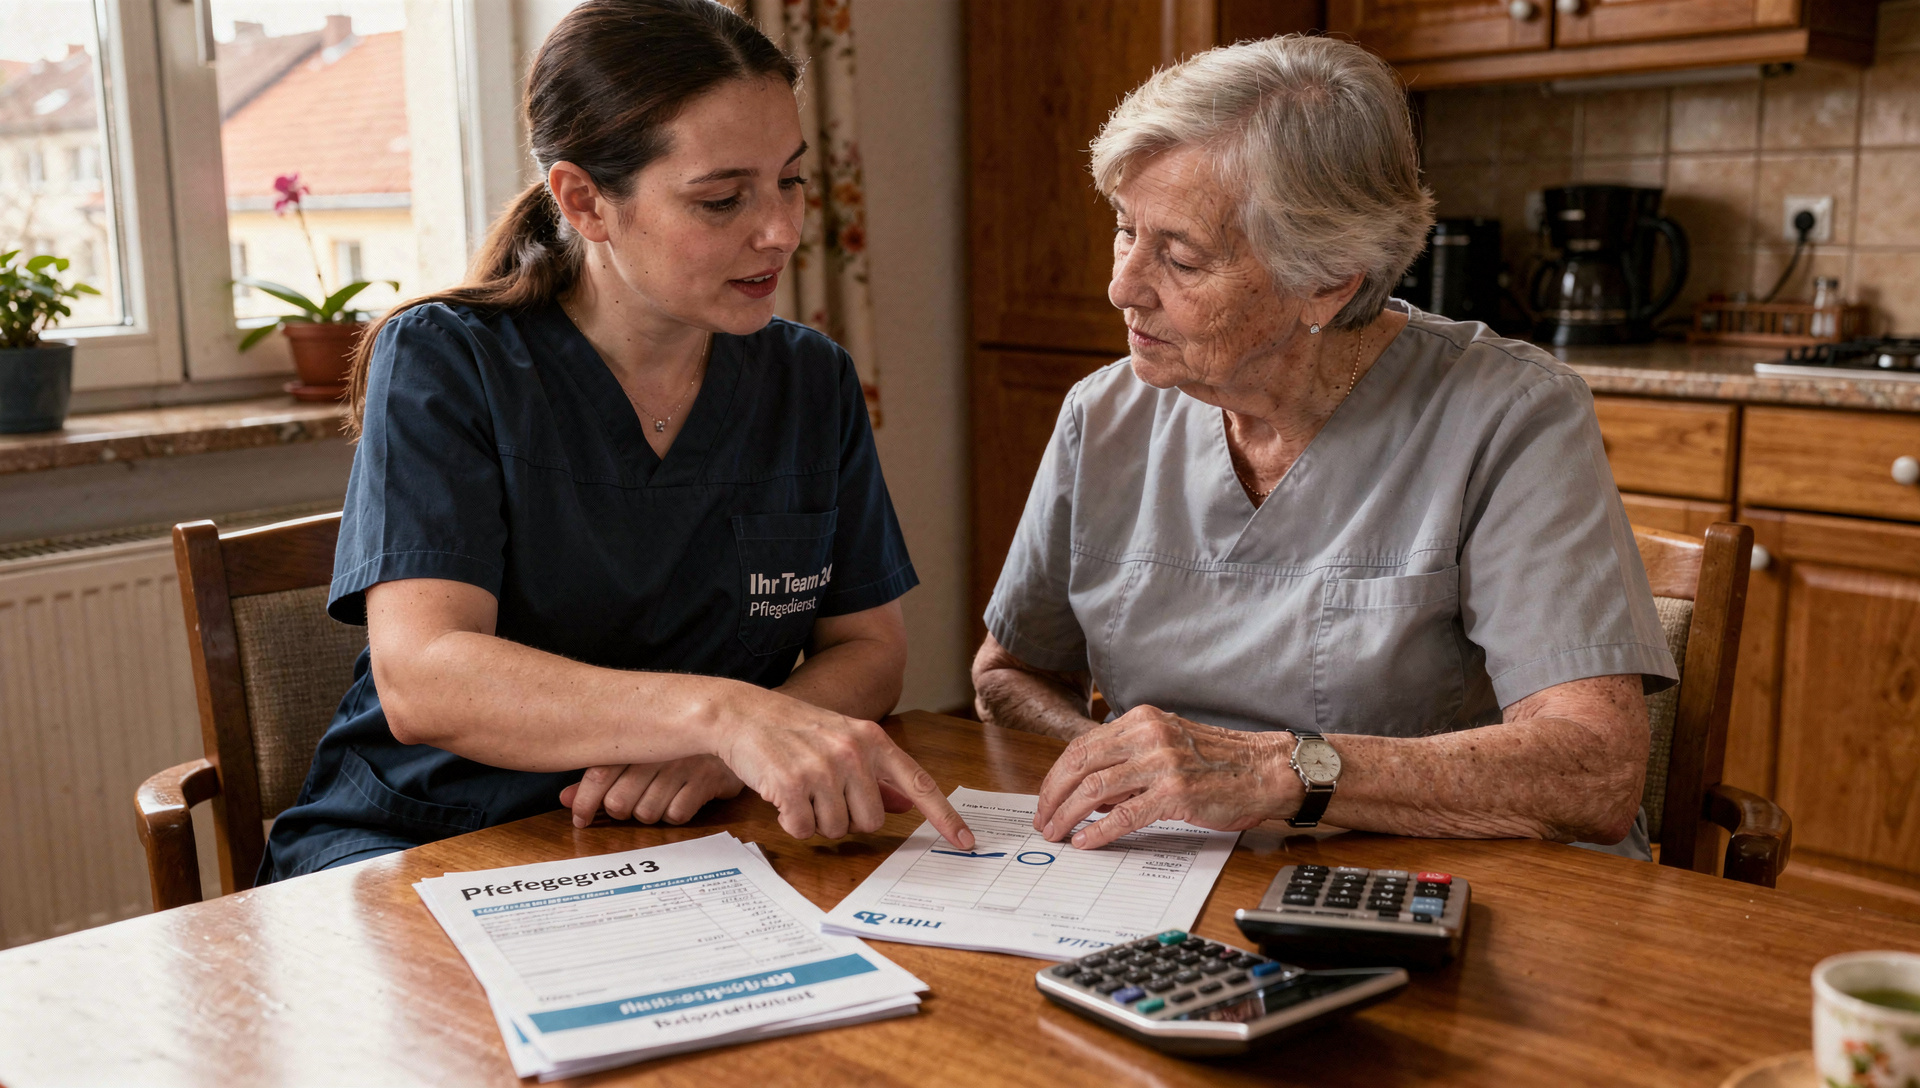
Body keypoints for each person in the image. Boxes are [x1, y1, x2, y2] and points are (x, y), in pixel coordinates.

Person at [261, 0, 972, 882]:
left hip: (682, 846)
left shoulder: (809, 380)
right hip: (428, 844)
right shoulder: (447, 361)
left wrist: (726, 750)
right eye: (722, 199)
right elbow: (424, 678)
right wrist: (719, 716)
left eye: (790, 179)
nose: (782, 229)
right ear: (586, 201)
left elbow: (868, 652)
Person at [971, 35, 1677, 859]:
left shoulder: (1510, 415)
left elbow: (1594, 770)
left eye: (1181, 255)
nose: (1122, 285)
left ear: (1329, 279)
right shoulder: (1104, 417)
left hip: (1450, 888)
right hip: (1174, 879)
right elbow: (1010, 676)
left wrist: (1280, 772)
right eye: (1127, 230)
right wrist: (1116, 770)